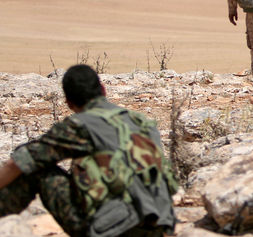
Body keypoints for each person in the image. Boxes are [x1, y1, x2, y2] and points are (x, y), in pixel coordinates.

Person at [0, 65, 177, 237]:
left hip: (113, 229)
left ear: (69, 103)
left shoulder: (80, 126)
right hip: (161, 224)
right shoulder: (141, 122)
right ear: (103, 90)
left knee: (38, 170)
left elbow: (18, 162)